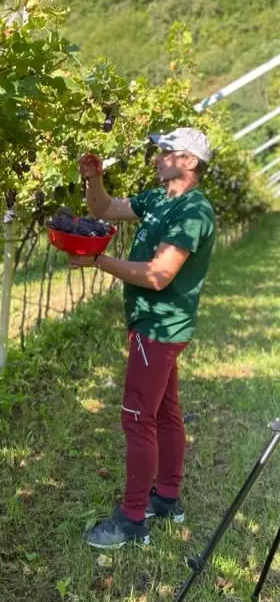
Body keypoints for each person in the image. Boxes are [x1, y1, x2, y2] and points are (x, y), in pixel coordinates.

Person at [69, 127, 216, 549]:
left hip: (160, 327)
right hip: (154, 325)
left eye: (165, 151)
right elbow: (104, 207)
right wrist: (92, 178)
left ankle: (133, 519)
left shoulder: (193, 211)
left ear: (189, 161)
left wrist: (96, 259)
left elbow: (157, 275)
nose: (156, 157)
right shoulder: (158, 199)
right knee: (166, 412)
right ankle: (167, 498)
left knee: (137, 418)